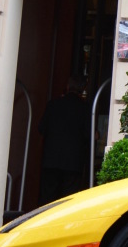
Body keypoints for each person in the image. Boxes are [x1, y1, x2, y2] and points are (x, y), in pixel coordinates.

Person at [38, 76, 92, 204]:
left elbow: (41, 129)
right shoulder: (84, 109)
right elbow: (89, 134)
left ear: (67, 86)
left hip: (51, 160)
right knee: (68, 200)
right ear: (82, 88)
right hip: (73, 162)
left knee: (47, 199)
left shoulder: (53, 105)